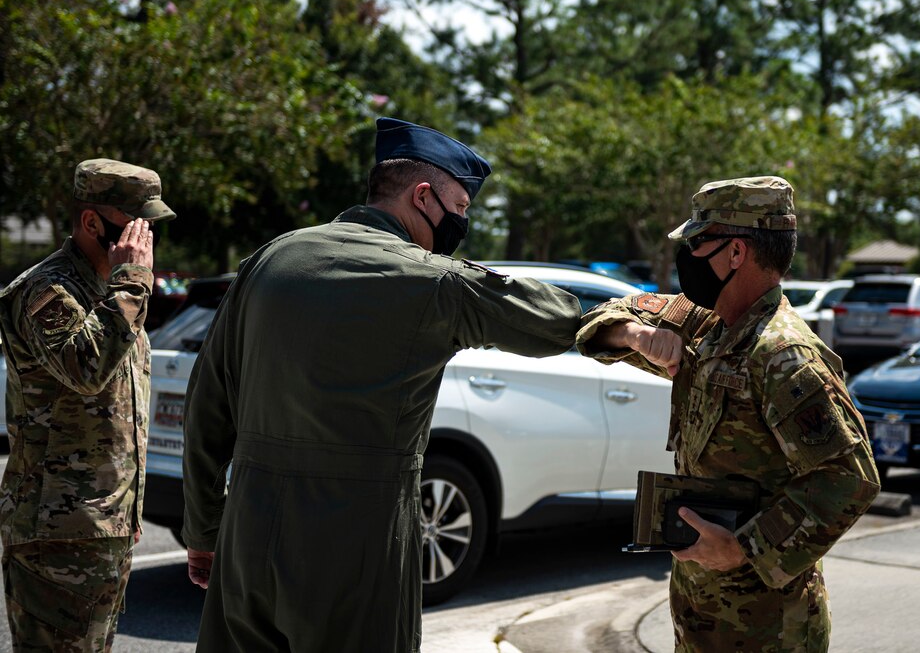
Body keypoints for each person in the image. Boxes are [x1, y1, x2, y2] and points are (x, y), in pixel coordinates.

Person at [181, 117, 582, 652]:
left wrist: (205, 533)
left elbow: (207, 406)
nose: (462, 223)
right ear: (423, 196)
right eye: (460, 208)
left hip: (247, 539)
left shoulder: (270, 259)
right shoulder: (431, 280)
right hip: (354, 543)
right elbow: (558, 319)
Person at [576, 176, 880, 652]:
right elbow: (605, 313)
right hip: (703, 613)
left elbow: (849, 478)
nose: (687, 258)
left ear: (735, 253)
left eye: (698, 243)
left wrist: (742, 548)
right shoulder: (709, 321)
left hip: (766, 627)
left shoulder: (783, 354)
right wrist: (634, 336)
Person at [0, 159, 175, 651]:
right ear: (92, 223)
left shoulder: (107, 291)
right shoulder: (46, 289)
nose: (144, 243)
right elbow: (86, 369)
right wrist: (133, 282)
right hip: (57, 531)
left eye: (150, 229)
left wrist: (126, 514)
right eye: (133, 227)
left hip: (101, 527)